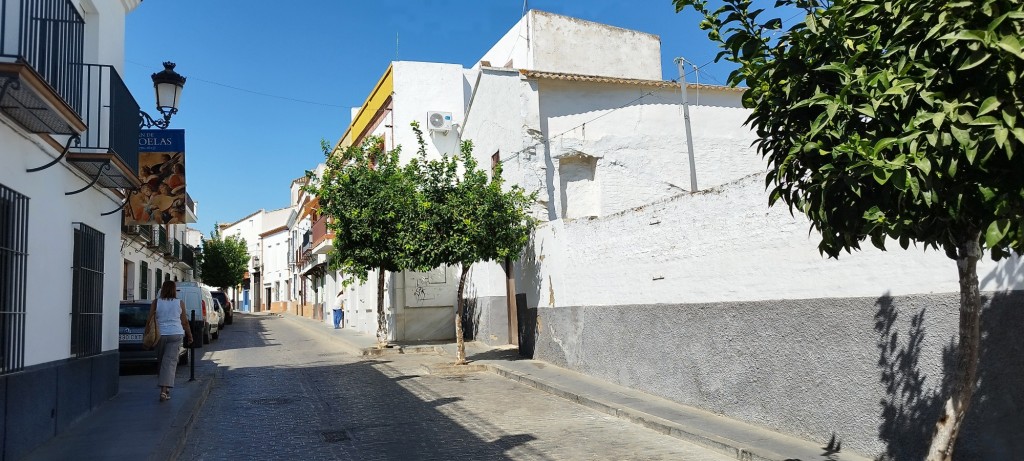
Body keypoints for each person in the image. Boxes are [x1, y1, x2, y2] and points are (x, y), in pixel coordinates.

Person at [148, 280, 193, 402]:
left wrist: (147, 333)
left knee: (162, 361)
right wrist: (190, 335)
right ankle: (164, 390)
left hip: (160, 335)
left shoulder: (156, 303)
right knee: (169, 363)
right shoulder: (180, 303)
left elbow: (149, 320)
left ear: (162, 289)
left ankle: (164, 388)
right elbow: (184, 322)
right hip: (175, 334)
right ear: (174, 290)